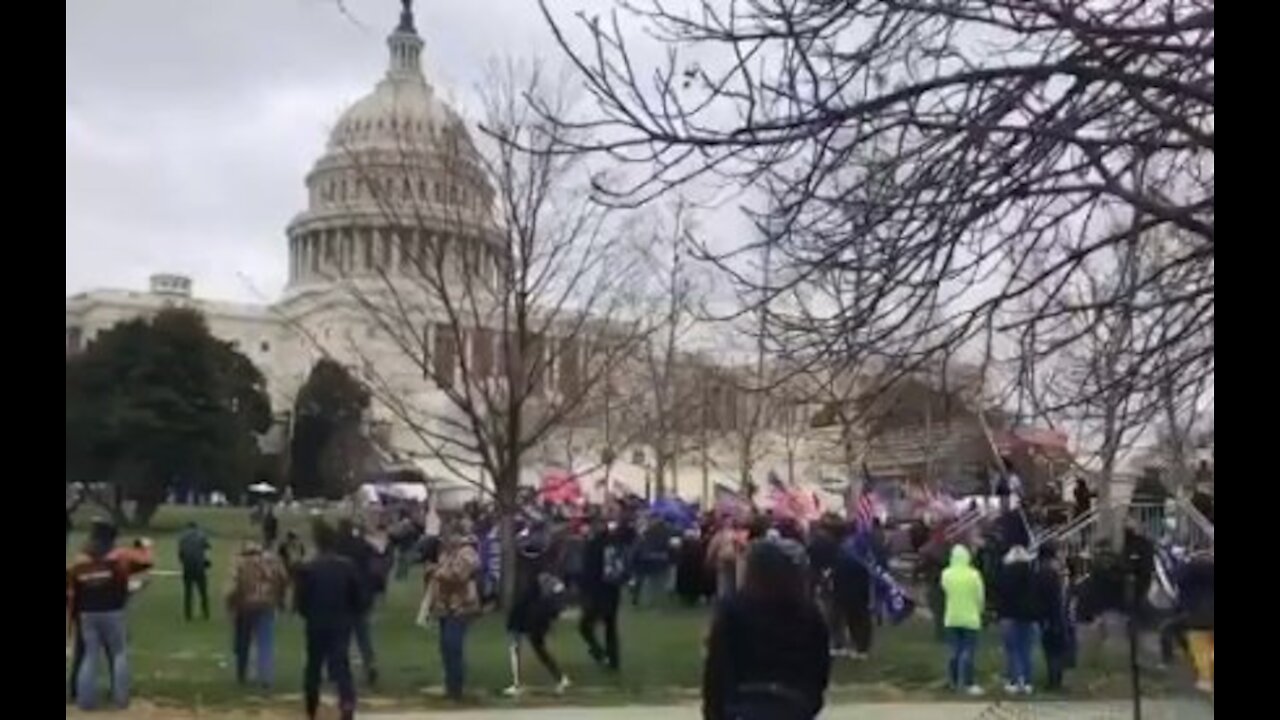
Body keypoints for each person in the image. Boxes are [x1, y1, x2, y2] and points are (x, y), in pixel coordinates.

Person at [702, 540, 831, 720]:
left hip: (743, 703)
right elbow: (820, 666)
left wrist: (715, 712)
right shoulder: (809, 613)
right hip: (794, 704)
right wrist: (809, 704)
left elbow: (717, 667)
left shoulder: (733, 610)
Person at [66, 520, 154, 710]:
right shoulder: (119, 557)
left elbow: (71, 586)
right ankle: (120, 698)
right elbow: (145, 563)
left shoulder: (80, 560)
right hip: (113, 611)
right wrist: (145, 546)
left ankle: (85, 700)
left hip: (87, 614)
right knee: (118, 654)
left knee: (89, 656)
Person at [295, 520, 365, 720]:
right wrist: (351, 614)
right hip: (341, 623)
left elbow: (301, 601)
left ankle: (311, 706)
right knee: (341, 665)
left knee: (313, 665)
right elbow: (358, 598)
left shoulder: (308, 568)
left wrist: (309, 614)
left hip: (316, 622)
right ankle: (347, 704)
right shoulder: (347, 567)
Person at [504, 525, 570, 696]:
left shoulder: (530, 562)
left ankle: (517, 683)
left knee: (517, 644)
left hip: (527, 607)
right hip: (536, 608)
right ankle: (560, 677)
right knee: (537, 645)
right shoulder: (543, 561)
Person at [424, 521, 481, 701]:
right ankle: (450, 685)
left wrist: (436, 572)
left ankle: (457, 688)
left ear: (458, 535)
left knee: (453, 645)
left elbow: (459, 575)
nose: (445, 539)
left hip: (461, 606)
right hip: (445, 607)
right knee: (445, 648)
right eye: (443, 535)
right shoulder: (446, 553)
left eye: (448, 535)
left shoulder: (467, 553)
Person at [226, 541, 290, 688]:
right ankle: (266, 677)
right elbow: (284, 579)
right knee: (265, 642)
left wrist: (230, 604)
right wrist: (279, 598)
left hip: (245, 606)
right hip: (267, 604)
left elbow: (232, 587)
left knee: (243, 642)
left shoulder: (240, 563)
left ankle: (242, 674)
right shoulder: (272, 562)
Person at [335, 518, 379, 686]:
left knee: (341, 637)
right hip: (362, 595)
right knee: (363, 634)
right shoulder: (362, 545)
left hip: (342, 596)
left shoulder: (337, 547)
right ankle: (370, 663)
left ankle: (340, 669)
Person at [580, 518, 628, 670]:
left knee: (585, 626)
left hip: (597, 591)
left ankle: (599, 653)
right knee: (610, 627)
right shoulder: (615, 543)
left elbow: (588, 570)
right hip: (612, 590)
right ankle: (613, 660)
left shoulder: (593, 545)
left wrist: (584, 590)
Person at [940, 544, 985, 695]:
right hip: (971, 618)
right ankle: (967, 683)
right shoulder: (974, 575)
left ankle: (953, 682)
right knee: (968, 652)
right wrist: (980, 610)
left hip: (952, 617)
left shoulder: (946, 574)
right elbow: (980, 597)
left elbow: (945, 590)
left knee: (954, 651)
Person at [995, 545, 1037, 694]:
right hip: (1028, 617)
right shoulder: (1032, 575)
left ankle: (1014, 681)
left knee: (1012, 651)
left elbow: (999, 595)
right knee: (1026, 650)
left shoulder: (1004, 575)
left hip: (1008, 616)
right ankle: (1027, 682)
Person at [833, 525, 874, 659]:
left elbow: (838, 571)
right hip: (859, 587)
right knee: (860, 618)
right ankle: (861, 647)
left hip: (846, 588)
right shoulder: (861, 546)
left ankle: (858, 646)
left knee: (853, 619)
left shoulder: (843, 550)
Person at [1034, 543, 1069, 691]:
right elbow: (1055, 599)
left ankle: (1053, 680)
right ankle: (1055, 681)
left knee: (1050, 650)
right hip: (1054, 617)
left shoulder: (1038, 573)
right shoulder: (1051, 574)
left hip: (1044, 617)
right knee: (1056, 651)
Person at [1179, 551, 1214, 693]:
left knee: (1200, 650)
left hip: (1196, 616)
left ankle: (1206, 680)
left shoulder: (1188, 570)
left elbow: (1179, 584)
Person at [178, 520, 212, 621]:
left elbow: (181, 554)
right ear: (196, 527)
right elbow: (207, 548)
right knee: (203, 591)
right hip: (199, 567)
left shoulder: (183, 537)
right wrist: (206, 562)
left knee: (188, 592)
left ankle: (188, 614)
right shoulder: (201, 535)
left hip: (188, 567)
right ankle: (205, 612)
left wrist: (184, 562)